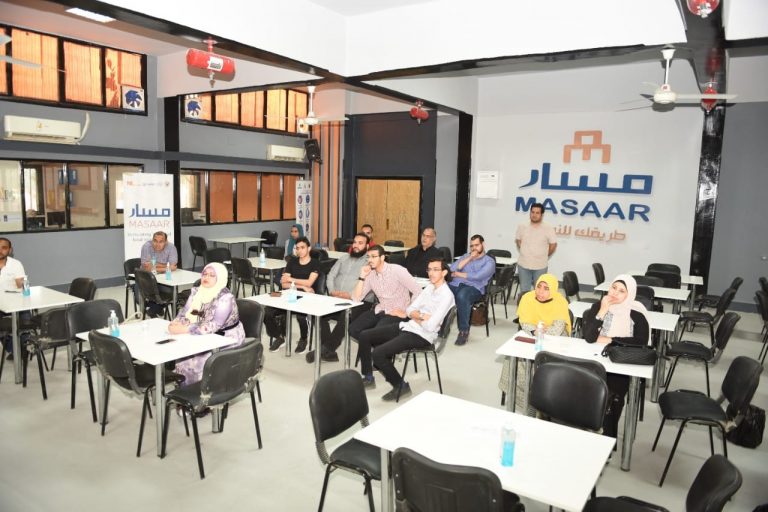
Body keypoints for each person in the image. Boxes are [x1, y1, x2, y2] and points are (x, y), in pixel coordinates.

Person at [370, 259, 455, 401]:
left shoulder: (447, 296)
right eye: (429, 269)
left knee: (378, 353)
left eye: (435, 269)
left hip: (423, 336)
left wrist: (416, 317)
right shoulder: (429, 288)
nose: (431, 273)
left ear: (444, 272)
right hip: (410, 327)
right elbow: (409, 310)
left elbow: (430, 326)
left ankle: (401, 386)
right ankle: (368, 376)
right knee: (368, 335)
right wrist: (420, 316)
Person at [582, 274, 650, 440]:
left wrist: (611, 339)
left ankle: (607, 439)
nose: (615, 293)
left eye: (621, 291)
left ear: (629, 294)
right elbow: (589, 337)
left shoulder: (637, 314)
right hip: (595, 361)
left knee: (612, 397)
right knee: (581, 388)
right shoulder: (598, 306)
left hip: (620, 366)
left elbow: (641, 342)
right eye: (614, 288)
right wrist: (603, 310)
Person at [350, 244, 422, 388]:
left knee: (371, 334)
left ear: (382, 257)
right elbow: (356, 298)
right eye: (368, 257)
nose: (370, 260)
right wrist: (362, 277)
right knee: (353, 329)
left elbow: (418, 291)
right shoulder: (370, 274)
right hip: (381, 309)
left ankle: (370, 373)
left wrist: (407, 311)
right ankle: (377, 353)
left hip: (397, 312)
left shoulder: (397, 270)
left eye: (374, 257)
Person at [498, 273, 571, 409]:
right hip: (532, 336)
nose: (540, 292)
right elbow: (524, 323)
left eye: (546, 288)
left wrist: (538, 329)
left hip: (556, 341)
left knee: (543, 364)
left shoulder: (560, 301)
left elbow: (557, 330)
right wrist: (535, 331)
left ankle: (543, 399)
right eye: (539, 287)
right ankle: (525, 401)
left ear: (553, 289)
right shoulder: (528, 298)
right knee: (513, 359)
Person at [170, 262, 245, 385]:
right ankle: (185, 388)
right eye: (204, 274)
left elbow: (213, 325)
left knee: (195, 359)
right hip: (202, 331)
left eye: (211, 275)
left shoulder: (225, 298)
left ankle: (201, 391)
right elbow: (186, 312)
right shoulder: (197, 292)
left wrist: (185, 329)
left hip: (226, 338)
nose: (206, 277)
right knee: (181, 350)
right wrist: (175, 323)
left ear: (220, 278)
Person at [306, 232, 373, 363]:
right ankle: (329, 352)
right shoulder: (344, 258)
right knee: (317, 313)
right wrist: (332, 291)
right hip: (336, 297)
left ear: (367, 246)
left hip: (359, 302)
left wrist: (349, 295)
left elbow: (368, 285)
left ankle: (326, 349)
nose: (356, 245)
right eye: (355, 242)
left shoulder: (369, 262)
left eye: (360, 243)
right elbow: (331, 275)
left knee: (346, 315)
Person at [266, 236, 320, 354]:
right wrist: (302, 286)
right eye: (297, 248)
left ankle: (303, 339)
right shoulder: (292, 262)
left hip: (307, 296)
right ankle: (279, 337)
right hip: (289, 293)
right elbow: (283, 284)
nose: (299, 250)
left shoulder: (315, 263)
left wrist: (291, 280)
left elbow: (310, 283)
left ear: (309, 248)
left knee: (301, 316)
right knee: (267, 311)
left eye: (302, 247)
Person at [448, 234, 496, 346]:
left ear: (483, 244)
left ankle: (464, 331)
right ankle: (438, 326)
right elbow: (451, 269)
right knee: (440, 289)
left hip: (475, 288)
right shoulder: (466, 256)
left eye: (477, 245)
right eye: (472, 246)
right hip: (456, 284)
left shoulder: (489, 261)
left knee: (462, 296)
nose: (474, 248)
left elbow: (477, 277)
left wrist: (458, 274)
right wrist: (469, 258)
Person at [515, 203, 557, 296]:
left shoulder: (548, 228)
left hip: (540, 266)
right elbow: (518, 240)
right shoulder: (522, 226)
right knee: (524, 292)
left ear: (542, 215)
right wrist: (524, 250)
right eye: (532, 212)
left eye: (537, 213)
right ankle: (525, 306)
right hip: (523, 264)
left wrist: (545, 255)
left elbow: (553, 244)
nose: (534, 215)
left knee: (540, 292)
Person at [0, 237, 27, 360]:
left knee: (26, 320)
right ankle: (13, 349)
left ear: (10, 250)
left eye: (4, 248)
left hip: (16, 301)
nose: (0, 250)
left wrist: (21, 283)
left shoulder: (16, 264)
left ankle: (23, 348)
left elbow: (21, 285)